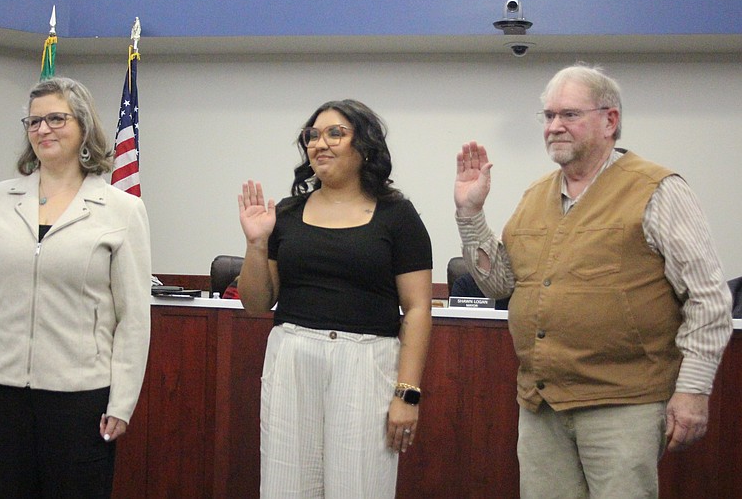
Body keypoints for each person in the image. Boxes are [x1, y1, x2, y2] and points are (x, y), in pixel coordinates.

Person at [453, 64, 733, 498]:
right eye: (548, 116)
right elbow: (501, 285)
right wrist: (471, 215)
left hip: (625, 406)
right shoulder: (534, 196)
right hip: (541, 405)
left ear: (610, 120)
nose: (555, 127)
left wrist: (693, 391)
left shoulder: (657, 189)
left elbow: (708, 300)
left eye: (569, 114)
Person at [0, 77, 152, 498]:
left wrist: (122, 402)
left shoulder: (122, 209)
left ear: (83, 126)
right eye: (33, 122)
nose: (43, 130)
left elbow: (134, 318)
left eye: (55, 118)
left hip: (80, 397)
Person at [237, 99, 433, 499]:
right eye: (312, 135)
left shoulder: (397, 215)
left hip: (366, 362)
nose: (319, 144)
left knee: (359, 488)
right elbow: (256, 303)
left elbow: (417, 310)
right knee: (286, 487)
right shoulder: (287, 214)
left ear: (364, 147)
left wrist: (407, 394)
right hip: (292, 356)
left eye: (334, 134)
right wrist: (256, 244)